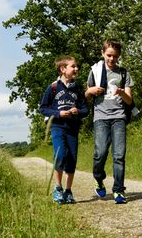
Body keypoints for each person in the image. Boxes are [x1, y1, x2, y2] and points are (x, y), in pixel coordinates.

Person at [85, 39, 134, 204]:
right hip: (100, 117)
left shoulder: (124, 73)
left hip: (119, 117)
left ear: (119, 56)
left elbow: (129, 100)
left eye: (115, 56)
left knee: (119, 155)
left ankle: (118, 190)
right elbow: (86, 94)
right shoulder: (96, 71)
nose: (112, 59)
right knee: (100, 153)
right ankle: (98, 179)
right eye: (109, 55)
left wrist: (121, 92)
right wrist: (91, 90)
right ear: (103, 54)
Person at [39, 56, 89, 204]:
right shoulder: (53, 87)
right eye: (73, 66)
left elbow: (85, 109)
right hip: (57, 127)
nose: (76, 69)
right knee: (60, 155)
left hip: (72, 128)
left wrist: (77, 111)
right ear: (63, 69)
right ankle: (58, 188)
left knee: (72, 159)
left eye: (76, 66)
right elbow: (43, 108)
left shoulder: (78, 89)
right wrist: (58, 114)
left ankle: (68, 191)